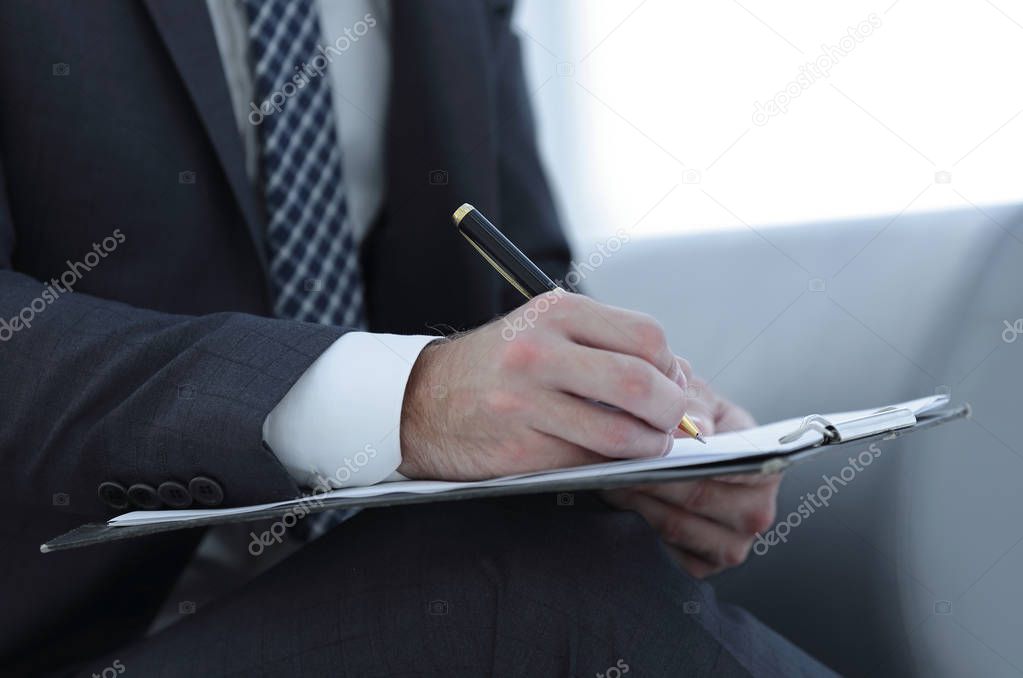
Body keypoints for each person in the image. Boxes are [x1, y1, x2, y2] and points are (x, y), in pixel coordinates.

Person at [0, 0, 835, 674]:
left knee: (576, 560)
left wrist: (618, 435)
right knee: (538, 590)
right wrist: (415, 400)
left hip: (375, 589)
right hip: (62, 629)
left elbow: (518, 282)